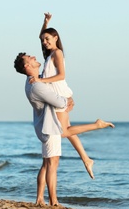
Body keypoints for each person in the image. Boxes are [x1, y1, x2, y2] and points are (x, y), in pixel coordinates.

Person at [14, 53, 114, 206]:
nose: (34, 57)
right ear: (27, 66)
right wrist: (68, 99)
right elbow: (60, 103)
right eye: (30, 58)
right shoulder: (37, 86)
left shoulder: (32, 81)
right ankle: (53, 201)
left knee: (46, 165)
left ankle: (40, 199)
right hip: (50, 127)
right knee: (52, 165)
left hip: (44, 127)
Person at [29, 13, 97, 179]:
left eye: (47, 39)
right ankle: (86, 159)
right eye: (43, 40)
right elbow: (40, 36)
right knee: (66, 129)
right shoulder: (48, 55)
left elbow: (61, 75)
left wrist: (40, 80)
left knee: (63, 131)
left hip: (60, 94)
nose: (44, 42)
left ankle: (96, 127)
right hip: (57, 96)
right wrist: (45, 23)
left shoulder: (57, 53)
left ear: (55, 37)